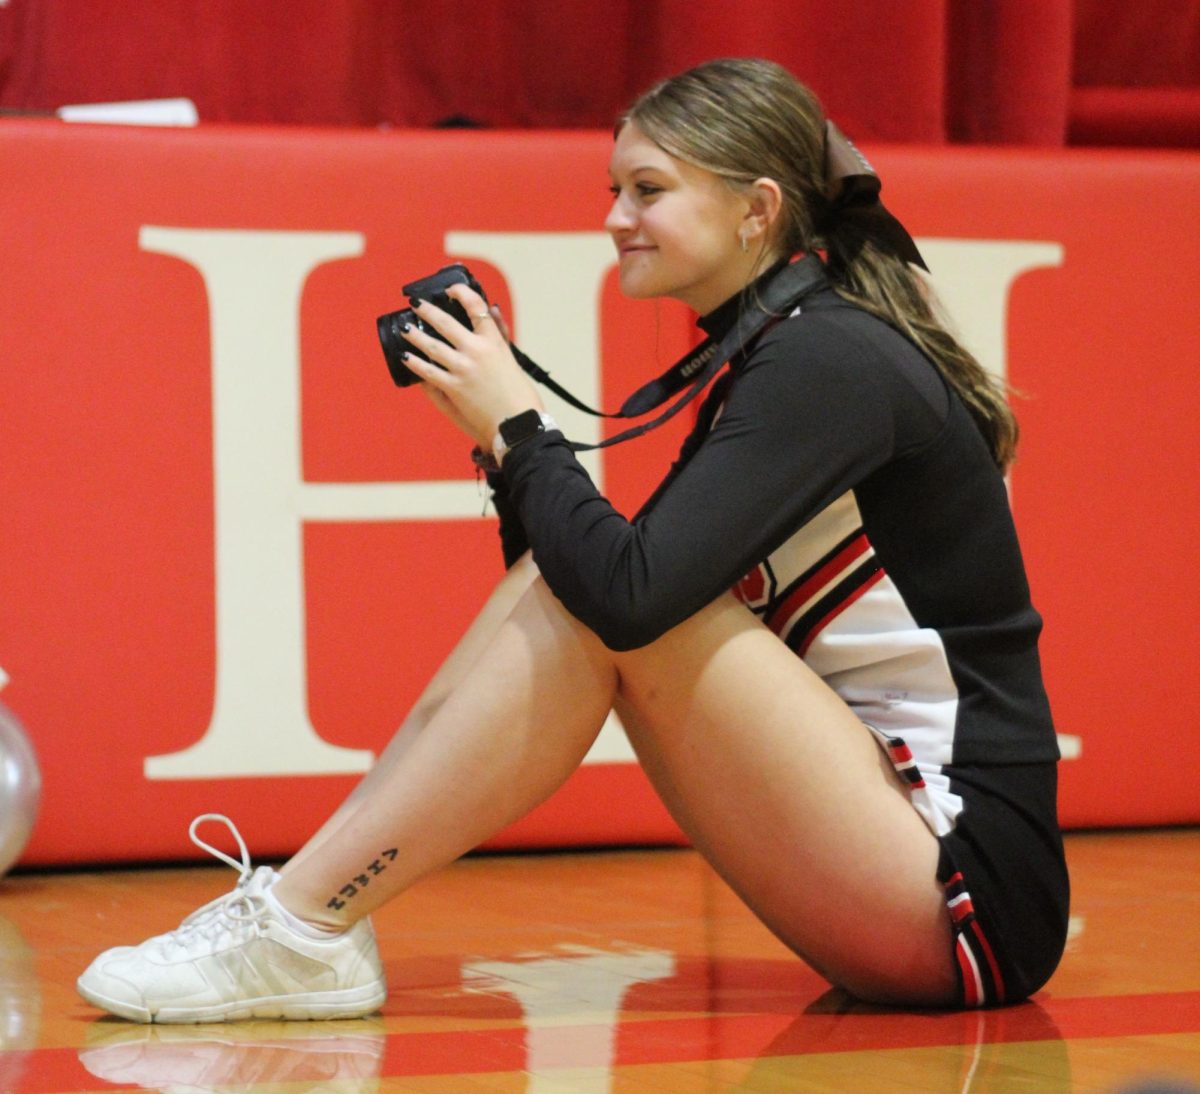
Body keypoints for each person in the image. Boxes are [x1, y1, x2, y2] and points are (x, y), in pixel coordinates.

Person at [77, 57, 1069, 1023]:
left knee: (606, 594)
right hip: (905, 861)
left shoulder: (831, 357)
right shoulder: (787, 347)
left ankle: (300, 922)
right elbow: (581, 584)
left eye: (648, 189)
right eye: (614, 188)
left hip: (965, 886)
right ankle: (304, 910)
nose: (614, 218)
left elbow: (625, 601)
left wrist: (517, 424)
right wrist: (499, 436)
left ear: (757, 208)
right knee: (577, 584)